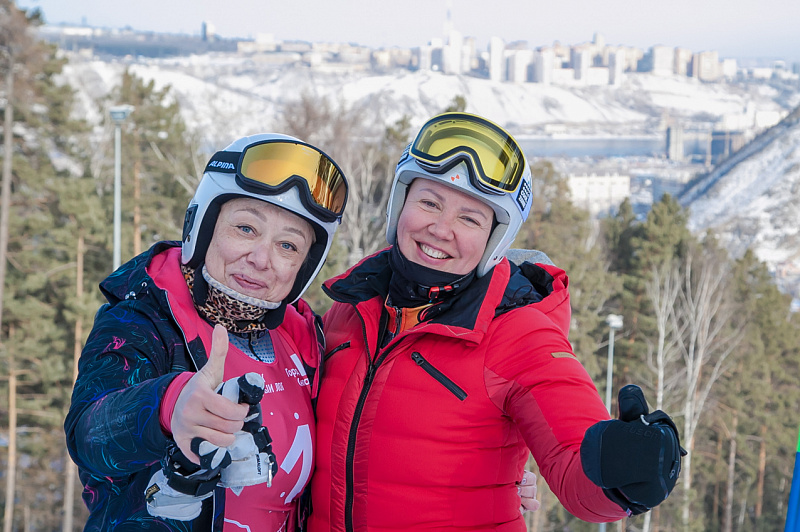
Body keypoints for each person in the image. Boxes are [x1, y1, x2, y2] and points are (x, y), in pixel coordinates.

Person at [308, 112, 685, 531]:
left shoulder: (520, 334)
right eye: (429, 203)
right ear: (400, 205)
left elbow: (574, 466)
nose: (440, 229)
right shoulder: (350, 309)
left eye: (469, 218)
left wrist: (620, 477)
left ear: (494, 240)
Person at [65, 133, 349, 532]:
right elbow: (90, 436)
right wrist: (168, 406)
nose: (261, 259)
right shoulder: (144, 320)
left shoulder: (305, 342)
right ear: (204, 226)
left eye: (288, 246)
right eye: (246, 228)